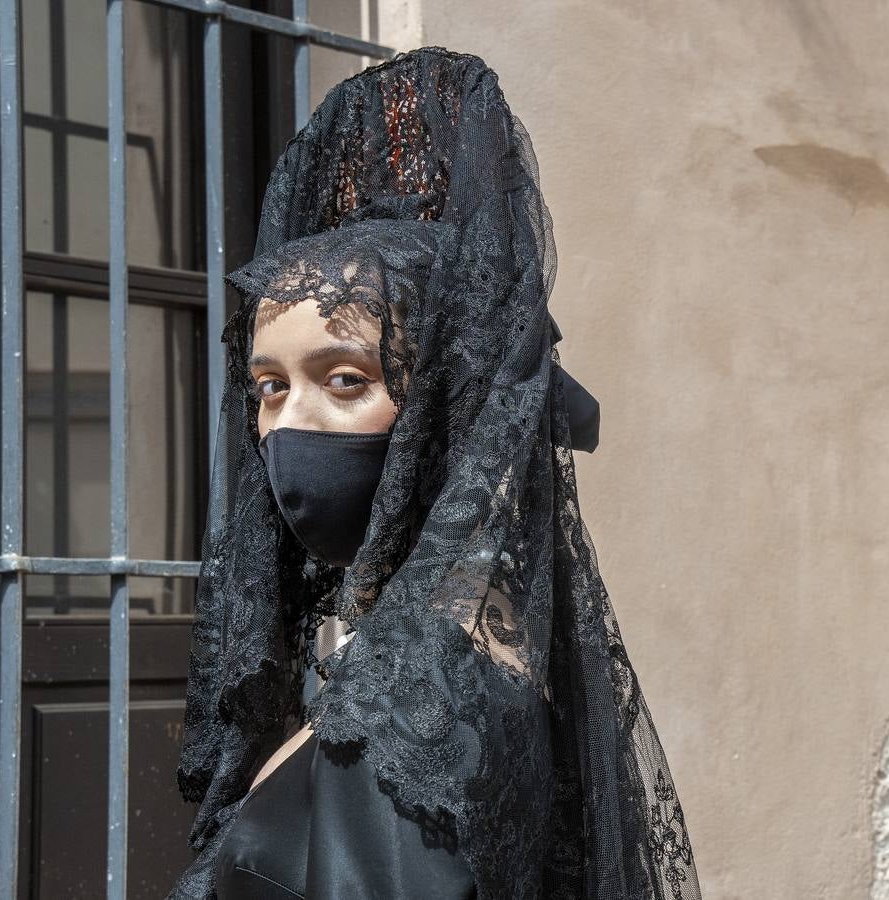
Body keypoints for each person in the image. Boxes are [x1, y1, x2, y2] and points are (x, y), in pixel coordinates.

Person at [167, 46, 700, 900]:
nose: (287, 424)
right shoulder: (402, 651)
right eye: (268, 386)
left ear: (441, 409)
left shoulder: (413, 711)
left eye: (345, 380)